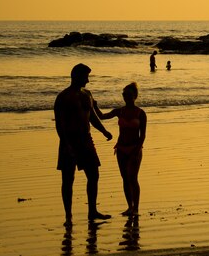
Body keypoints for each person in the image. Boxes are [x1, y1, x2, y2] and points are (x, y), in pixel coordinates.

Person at [55, 63, 113, 225]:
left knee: (94, 175)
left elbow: (93, 117)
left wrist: (104, 131)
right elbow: (60, 124)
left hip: (86, 139)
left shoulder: (87, 94)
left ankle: (92, 211)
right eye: (85, 77)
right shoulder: (63, 97)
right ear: (76, 76)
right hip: (69, 140)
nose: (87, 80)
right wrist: (66, 144)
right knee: (68, 179)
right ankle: (68, 216)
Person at [102, 82, 147, 216]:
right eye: (124, 95)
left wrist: (137, 150)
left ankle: (136, 208)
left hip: (134, 148)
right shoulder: (119, 111)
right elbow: (102, 116)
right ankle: (129, 206)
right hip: (121, 148)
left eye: (128, 95)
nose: (125, 97)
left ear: (135, 96)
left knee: (133, 178)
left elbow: (143, 135)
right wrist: (93, 105)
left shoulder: (140, 113)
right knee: (125, 178)